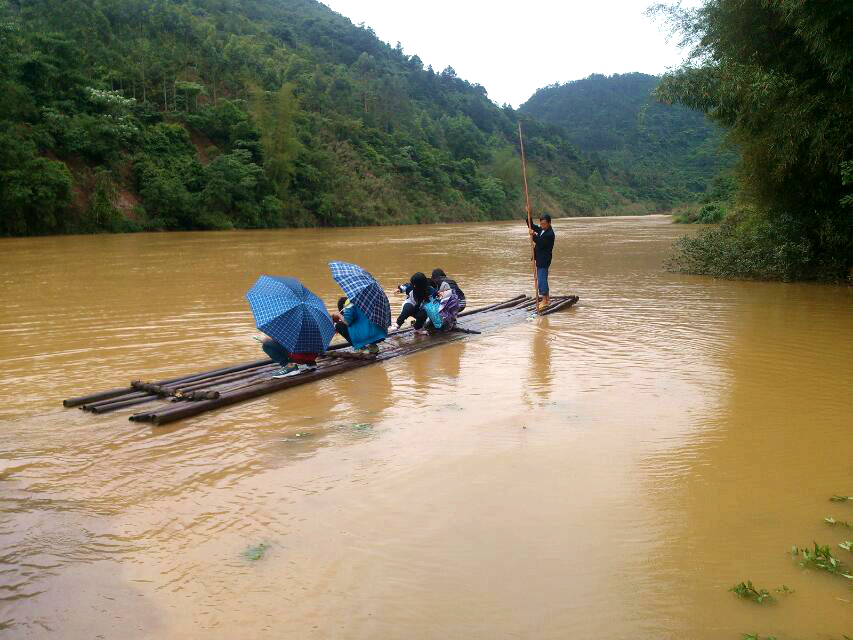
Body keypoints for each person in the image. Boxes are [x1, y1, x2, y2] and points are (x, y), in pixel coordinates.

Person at [526, 212, 555, 309]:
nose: (542, 226)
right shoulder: (542, 230)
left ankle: (545, 301)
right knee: (542, 279)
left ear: (549, 223)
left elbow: (541, 243)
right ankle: (547, 298)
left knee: (542, 280)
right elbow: (532, 225)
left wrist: (533, 235)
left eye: (544, 224)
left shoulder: (549, 234)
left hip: (544, 259)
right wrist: (528, 214)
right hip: (539, 258)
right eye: (541, 224)